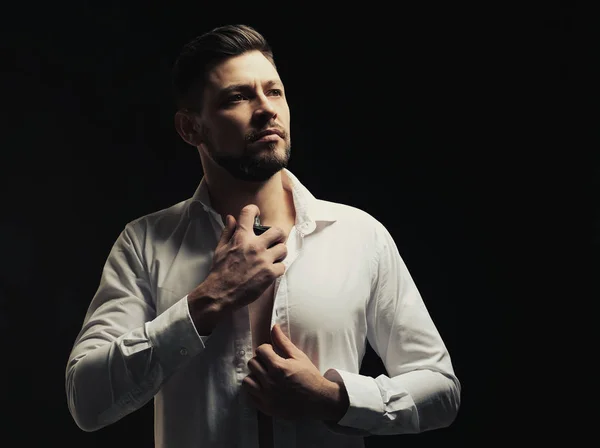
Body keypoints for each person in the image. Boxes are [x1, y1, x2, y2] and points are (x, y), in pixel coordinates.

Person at [65, 24, 461, 448]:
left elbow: (441, 390)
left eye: (273, 91)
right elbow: (86, 402)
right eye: (238, 97)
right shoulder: (144, 244)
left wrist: (335, 399)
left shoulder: (360, 236)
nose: (266, 109)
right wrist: (206, 302)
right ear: (190, 128)